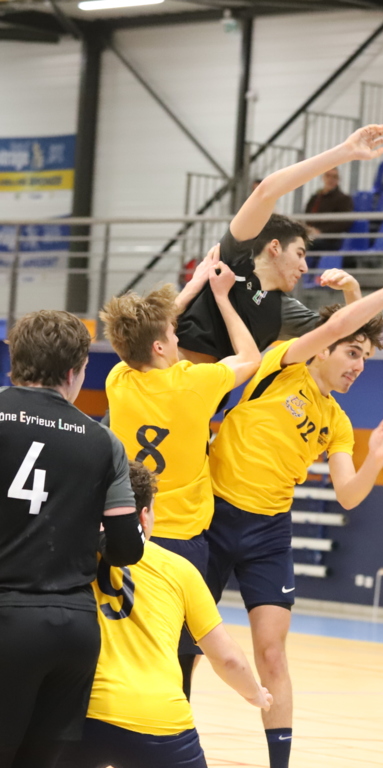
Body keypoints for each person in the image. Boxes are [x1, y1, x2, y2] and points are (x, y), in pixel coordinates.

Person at [205, 234, 383, 768]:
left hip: (268, 532)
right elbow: (337, 325)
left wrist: (377, 457)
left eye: (366, 360)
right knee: (187, 644)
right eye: (353, 354)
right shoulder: (282, 364)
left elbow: (349, 495)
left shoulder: (337, 422)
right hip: (213, 514)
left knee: (271, 653)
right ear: (324, 349)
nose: (359, 366)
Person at [99, 258, 261, 699]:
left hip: (127, 533)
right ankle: (172, 724)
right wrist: (222, 298)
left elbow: (146, 333)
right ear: (158, 346)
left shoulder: (118, 381)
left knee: (124, 643)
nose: (178, 337)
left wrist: (189, 289)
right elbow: (250, 357)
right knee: (179, 655)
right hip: (183, 542)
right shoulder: (196, 382)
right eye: (173, 334)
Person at [0, 310, 144, 768]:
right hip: (73, 632)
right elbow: (127, 548)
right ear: (73, 372)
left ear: (15, 359)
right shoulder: (104, 443)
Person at [57, 460, 272, 768]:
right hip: (159, 719)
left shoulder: (68, 558)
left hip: (79, 715)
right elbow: (228, 659)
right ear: (144, 515)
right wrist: (254, 694)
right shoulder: (179, 570)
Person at [176, 124, 383, 364]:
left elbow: (357, 341)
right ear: (275, 247)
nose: (304, 267)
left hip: (212, 387)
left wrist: (352, 291)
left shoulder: (283, 310)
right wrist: (345, 152)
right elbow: (266, 192)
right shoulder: (234, 256)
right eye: (299, 254)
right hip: (167, 374)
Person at [305, 167, 354, 273]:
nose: (331, 179)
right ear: (323, 178)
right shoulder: (315, 198)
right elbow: (307, 216)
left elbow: (344, 222)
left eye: (334, 177)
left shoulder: (344, 199)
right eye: (328, 176)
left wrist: (321, 231)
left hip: (331, 239)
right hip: (312, 235)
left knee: (305, 244)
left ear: (338, 179)